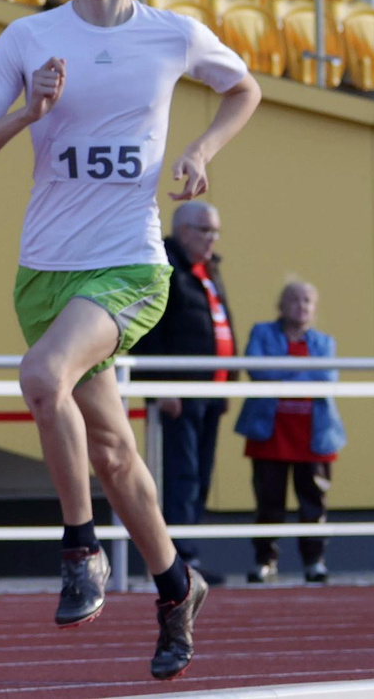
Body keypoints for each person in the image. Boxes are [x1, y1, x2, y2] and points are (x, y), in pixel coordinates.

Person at [0, 0, 260, 678]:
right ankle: (175, 584)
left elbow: (244, 87)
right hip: (44, 271)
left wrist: (199, 154)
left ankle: (80, 547)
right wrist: (29, 113)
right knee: (117, 452)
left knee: (41, 377)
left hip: (129, 264)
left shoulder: (172, 36)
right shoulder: (28, 37)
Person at [130, 201, 234, 578]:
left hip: (209, 393)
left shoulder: (207, 270)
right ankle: (179, 562)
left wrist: (225, 388)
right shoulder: (164, 267)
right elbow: (148, 332)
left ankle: (190, 554)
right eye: (206, 230)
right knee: (181, 476)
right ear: (183, 229)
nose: (213, 238)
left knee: (200, 477)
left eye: (215, 231)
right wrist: (161, 388)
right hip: (179, 395)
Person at [236, 279, 340, 585]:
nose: (301, 305)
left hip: (314, 434)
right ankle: (265, 561)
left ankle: (314, 561)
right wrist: (301, 369)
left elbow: (328, 376)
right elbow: (258, 370)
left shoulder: (324, 342)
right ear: (280, 305)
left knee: (314, 502)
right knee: (269, 501)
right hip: (271, 431)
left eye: (307, 300)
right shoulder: (262, 333)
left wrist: (283, 370)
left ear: (315, 308)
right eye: (294, 299)